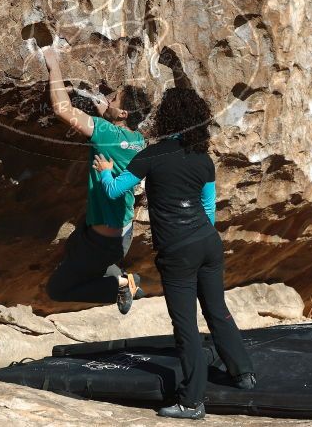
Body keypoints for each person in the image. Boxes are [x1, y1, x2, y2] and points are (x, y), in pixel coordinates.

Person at [93, 87, 255, 420]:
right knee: (216, 309)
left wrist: (104, 168)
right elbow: (209, 209)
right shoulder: (203, 159)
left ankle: (192, 402)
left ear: (168, 118)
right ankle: (244, 373)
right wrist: (199, 238)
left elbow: (113, 191)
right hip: (208, 243)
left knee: (186, 327)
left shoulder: (152, 154)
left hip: (177, 250)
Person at [42, 46, 152, 314]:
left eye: (115, 100)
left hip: (101, 241)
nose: (108, 100)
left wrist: (53, 65)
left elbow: (61, 108)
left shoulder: (106, 133)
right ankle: (117, 275)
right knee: (75, 247)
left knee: (57, 290)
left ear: (124, 114)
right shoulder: (139, 141)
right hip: (121, 232)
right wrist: (107, 116)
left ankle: (122, 284)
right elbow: (119, 140)